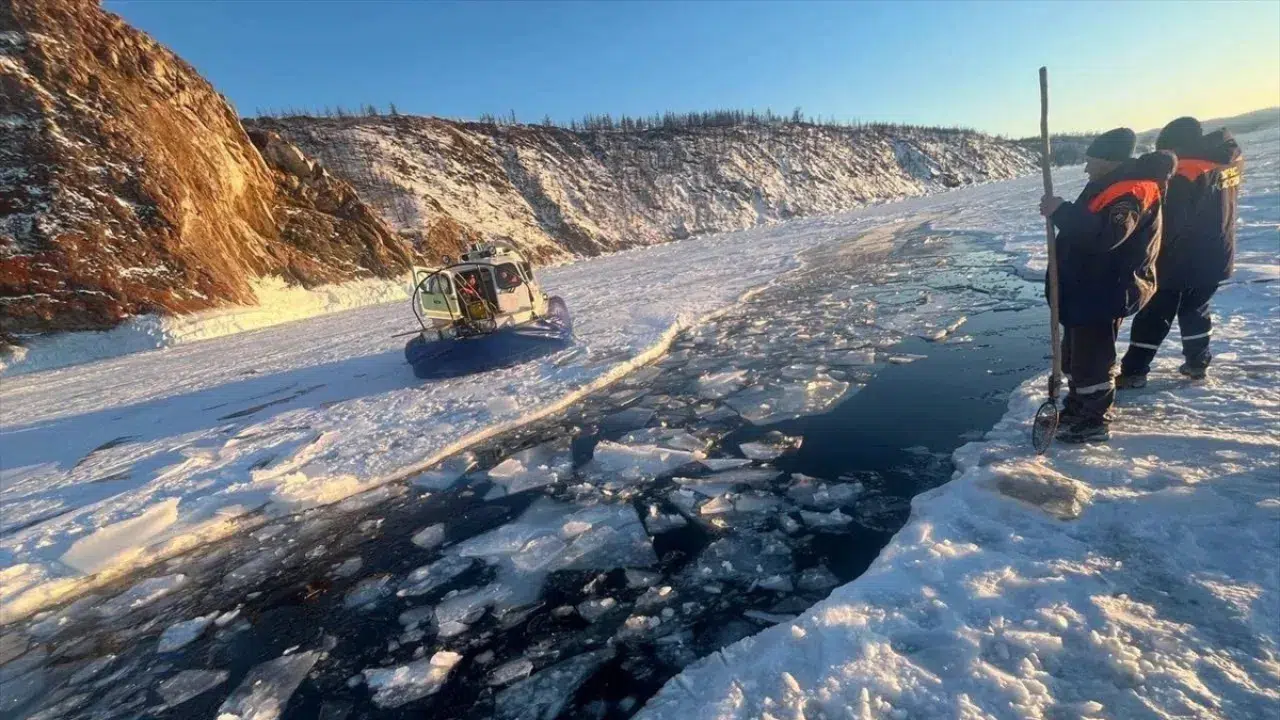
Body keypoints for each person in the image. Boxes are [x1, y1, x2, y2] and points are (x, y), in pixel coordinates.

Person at [1039, 128, 1175, 443]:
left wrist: (1061, 211)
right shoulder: (1110, 184)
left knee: (1092, 361)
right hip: (1087, 287)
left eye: (1091, 161)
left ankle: (1093, 421)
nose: (1086, 168)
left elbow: (1106, 236)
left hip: (1104, 289)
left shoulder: (1131, 192)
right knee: (1075, 357)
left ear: (1108, 161)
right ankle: (1077, 407)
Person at [1116, 117, 1243, 386]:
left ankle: (1134, 372)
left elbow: (1171, 221)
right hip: (1217, 252)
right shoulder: (1227, 159)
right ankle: (1198, 363)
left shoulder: (1185, 171)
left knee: (1154, 311)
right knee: (1195, 308)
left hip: (1180, 256)